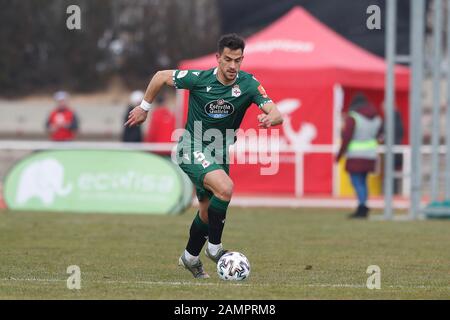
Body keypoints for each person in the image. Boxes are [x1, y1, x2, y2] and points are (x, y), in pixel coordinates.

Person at [125, 34, 283, 278]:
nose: (232, 66)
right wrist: (144, 108)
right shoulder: (198, 78)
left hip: (219, 153)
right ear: (218, 58)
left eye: (238, 60)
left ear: (243, 59)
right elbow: (160, 77)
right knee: (226, 188)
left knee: (207, 212)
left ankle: (189, 257)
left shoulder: (249, 84)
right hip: (191, 146)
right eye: (228, 59)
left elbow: (277, 113)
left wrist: (270, 118)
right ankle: (215, 248)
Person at [335, 93, 383, 219]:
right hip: (370, 155)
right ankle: (363, 204)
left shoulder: (353, 118)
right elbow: (380, 135)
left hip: (356, 156)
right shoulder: (376, 118)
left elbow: (346, 138)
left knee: (357, 181)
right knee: (363, 181)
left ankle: (362, 207)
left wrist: (339, 155)